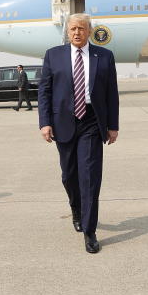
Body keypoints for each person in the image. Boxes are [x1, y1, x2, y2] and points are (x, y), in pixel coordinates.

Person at [38, 13, 119, 254]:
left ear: (89, 31)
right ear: (67, 31)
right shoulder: (54, 55)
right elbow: (45, 91)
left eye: (81, 29)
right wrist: (45, 123)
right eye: (73, 29)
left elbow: (111, 93)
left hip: (93, 122)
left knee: (90, 177)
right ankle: (76, 208)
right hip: (63, 122)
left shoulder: (104, 56)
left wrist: (113, 125)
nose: (76, 33)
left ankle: (89, 230)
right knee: (69, 176)